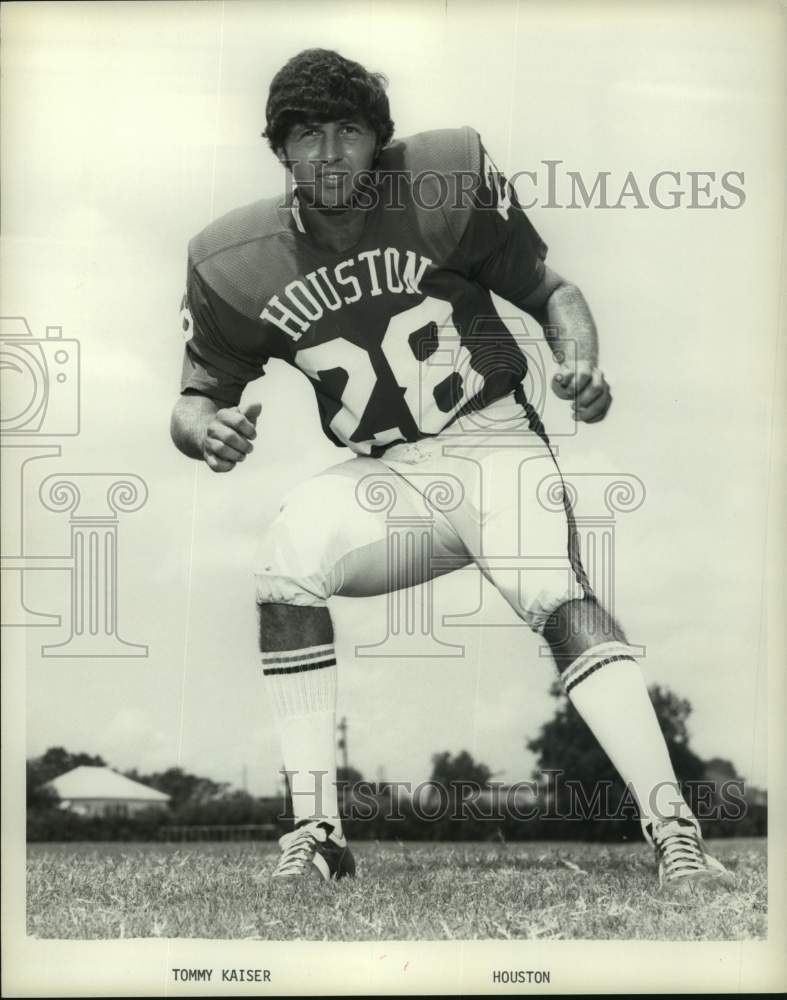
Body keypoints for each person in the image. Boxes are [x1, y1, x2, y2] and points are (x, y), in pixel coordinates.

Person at [170, 48, 731, 892]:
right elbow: (191, 400)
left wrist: (578, 363)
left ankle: (674, 831)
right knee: (285, 560)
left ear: (381, 143)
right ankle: (317, 832)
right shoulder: (232, 259)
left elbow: (553, 293)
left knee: (556, 597)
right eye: (308, 135)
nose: (329, 154)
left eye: (349, 131)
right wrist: (205, 430)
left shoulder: (440, 186)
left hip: (493, 442)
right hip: (387, 474)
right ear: (279, 149)